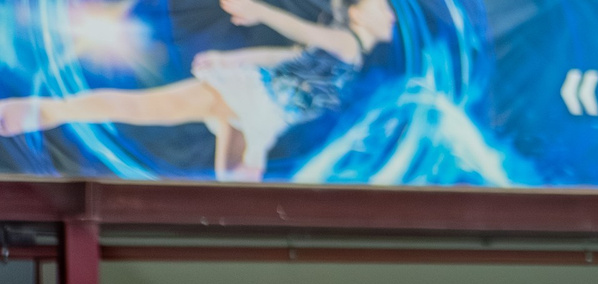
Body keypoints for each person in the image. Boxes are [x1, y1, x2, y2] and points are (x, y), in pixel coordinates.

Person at [0, 0, 394, 183]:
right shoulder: (344, 42)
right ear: (357, 13)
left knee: (238, 186)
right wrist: (257, 14)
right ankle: (42, 110)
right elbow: (302, 37)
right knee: (140, 108)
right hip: (248, 99)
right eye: (382, 6)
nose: (390, 13)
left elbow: (287, 54)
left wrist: (229, 58)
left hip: (264, 119)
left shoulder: (346, 53)